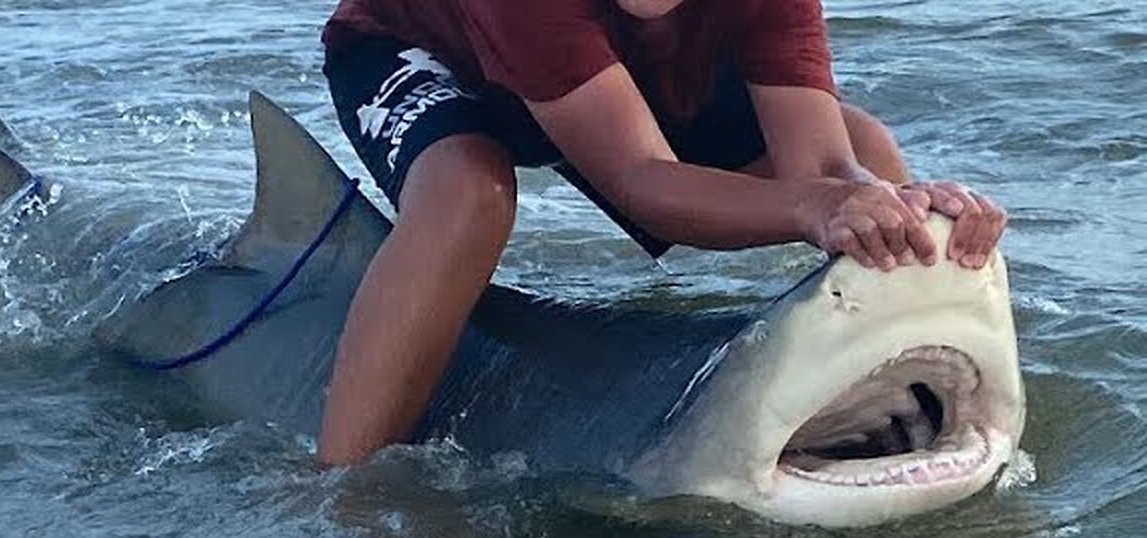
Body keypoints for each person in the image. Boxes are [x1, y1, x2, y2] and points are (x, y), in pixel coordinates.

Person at [315, 0, 1008, 465]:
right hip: (424, 50)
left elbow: (822, 163)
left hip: (609, 75)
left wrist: (895, 203)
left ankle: (866, 424)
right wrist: (813, 206)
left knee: (869, 155)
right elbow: (642, 179)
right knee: (470, 195)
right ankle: (338, 486)